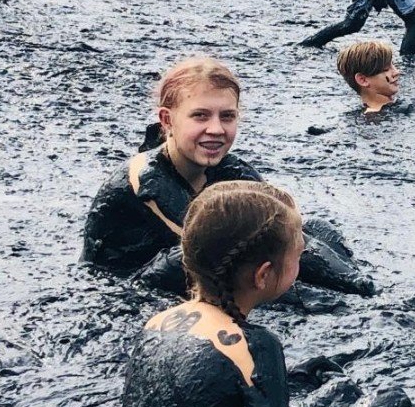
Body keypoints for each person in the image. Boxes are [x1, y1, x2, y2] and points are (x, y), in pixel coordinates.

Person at [121, 180, 415, 407]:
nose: (302, 260)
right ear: (264, 275)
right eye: (298, 255)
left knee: (345, 390)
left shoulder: (158, 322)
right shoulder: (252, 346)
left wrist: (299, 376)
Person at [82, 56, 375, 299]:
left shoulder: (229, 169)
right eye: (200, 116)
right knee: (227, 259)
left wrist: (361, 284)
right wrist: (333, 300)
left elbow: (283, 231)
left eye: (227, 117)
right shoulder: (146, 179)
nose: (216, 129)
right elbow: (225, 256)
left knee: (312, 226)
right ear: (167, 120)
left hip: (200, 262)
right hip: (132, 285)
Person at [337, 39, 402, 114]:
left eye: (393, 65)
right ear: (363, 80)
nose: (397, 72)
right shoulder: (375, 119)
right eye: (386, 69)